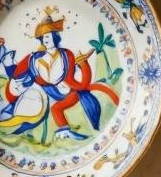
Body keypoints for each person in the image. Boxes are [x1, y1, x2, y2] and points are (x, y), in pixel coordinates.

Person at [12, 8, 119, 141]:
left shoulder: (66, 54)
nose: (46, 39)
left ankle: (66, 131)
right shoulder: (35, 58)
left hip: (65, 89)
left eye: (49, 36)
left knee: (58, 107)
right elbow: (19, 72)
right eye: (44, 37)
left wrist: (82, 66)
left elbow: (73, 79)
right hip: (43, 90)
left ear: (55, 37)